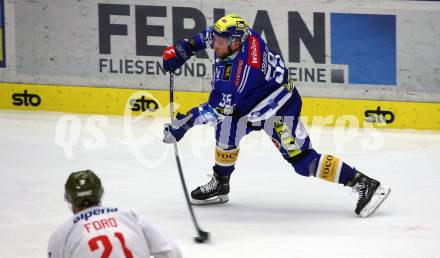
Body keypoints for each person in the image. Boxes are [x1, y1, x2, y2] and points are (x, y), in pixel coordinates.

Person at [162, 14, 390, 217]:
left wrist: (184, 123)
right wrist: (187, 47)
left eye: (221, 43)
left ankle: (363, 182)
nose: (215, 45)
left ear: (235, 43)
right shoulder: (242, 34)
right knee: (226, 132)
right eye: (217, 41)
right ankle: (221, 183)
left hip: (278, 109)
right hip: (248, 103)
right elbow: (210, 33)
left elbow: (216, 110)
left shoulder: (240, 73)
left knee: (303, 162)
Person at [48, 170, 182, 258]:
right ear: (100, 193)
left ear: (69, 198)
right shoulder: (129, 216)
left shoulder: (62, 233)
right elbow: (171, 251)